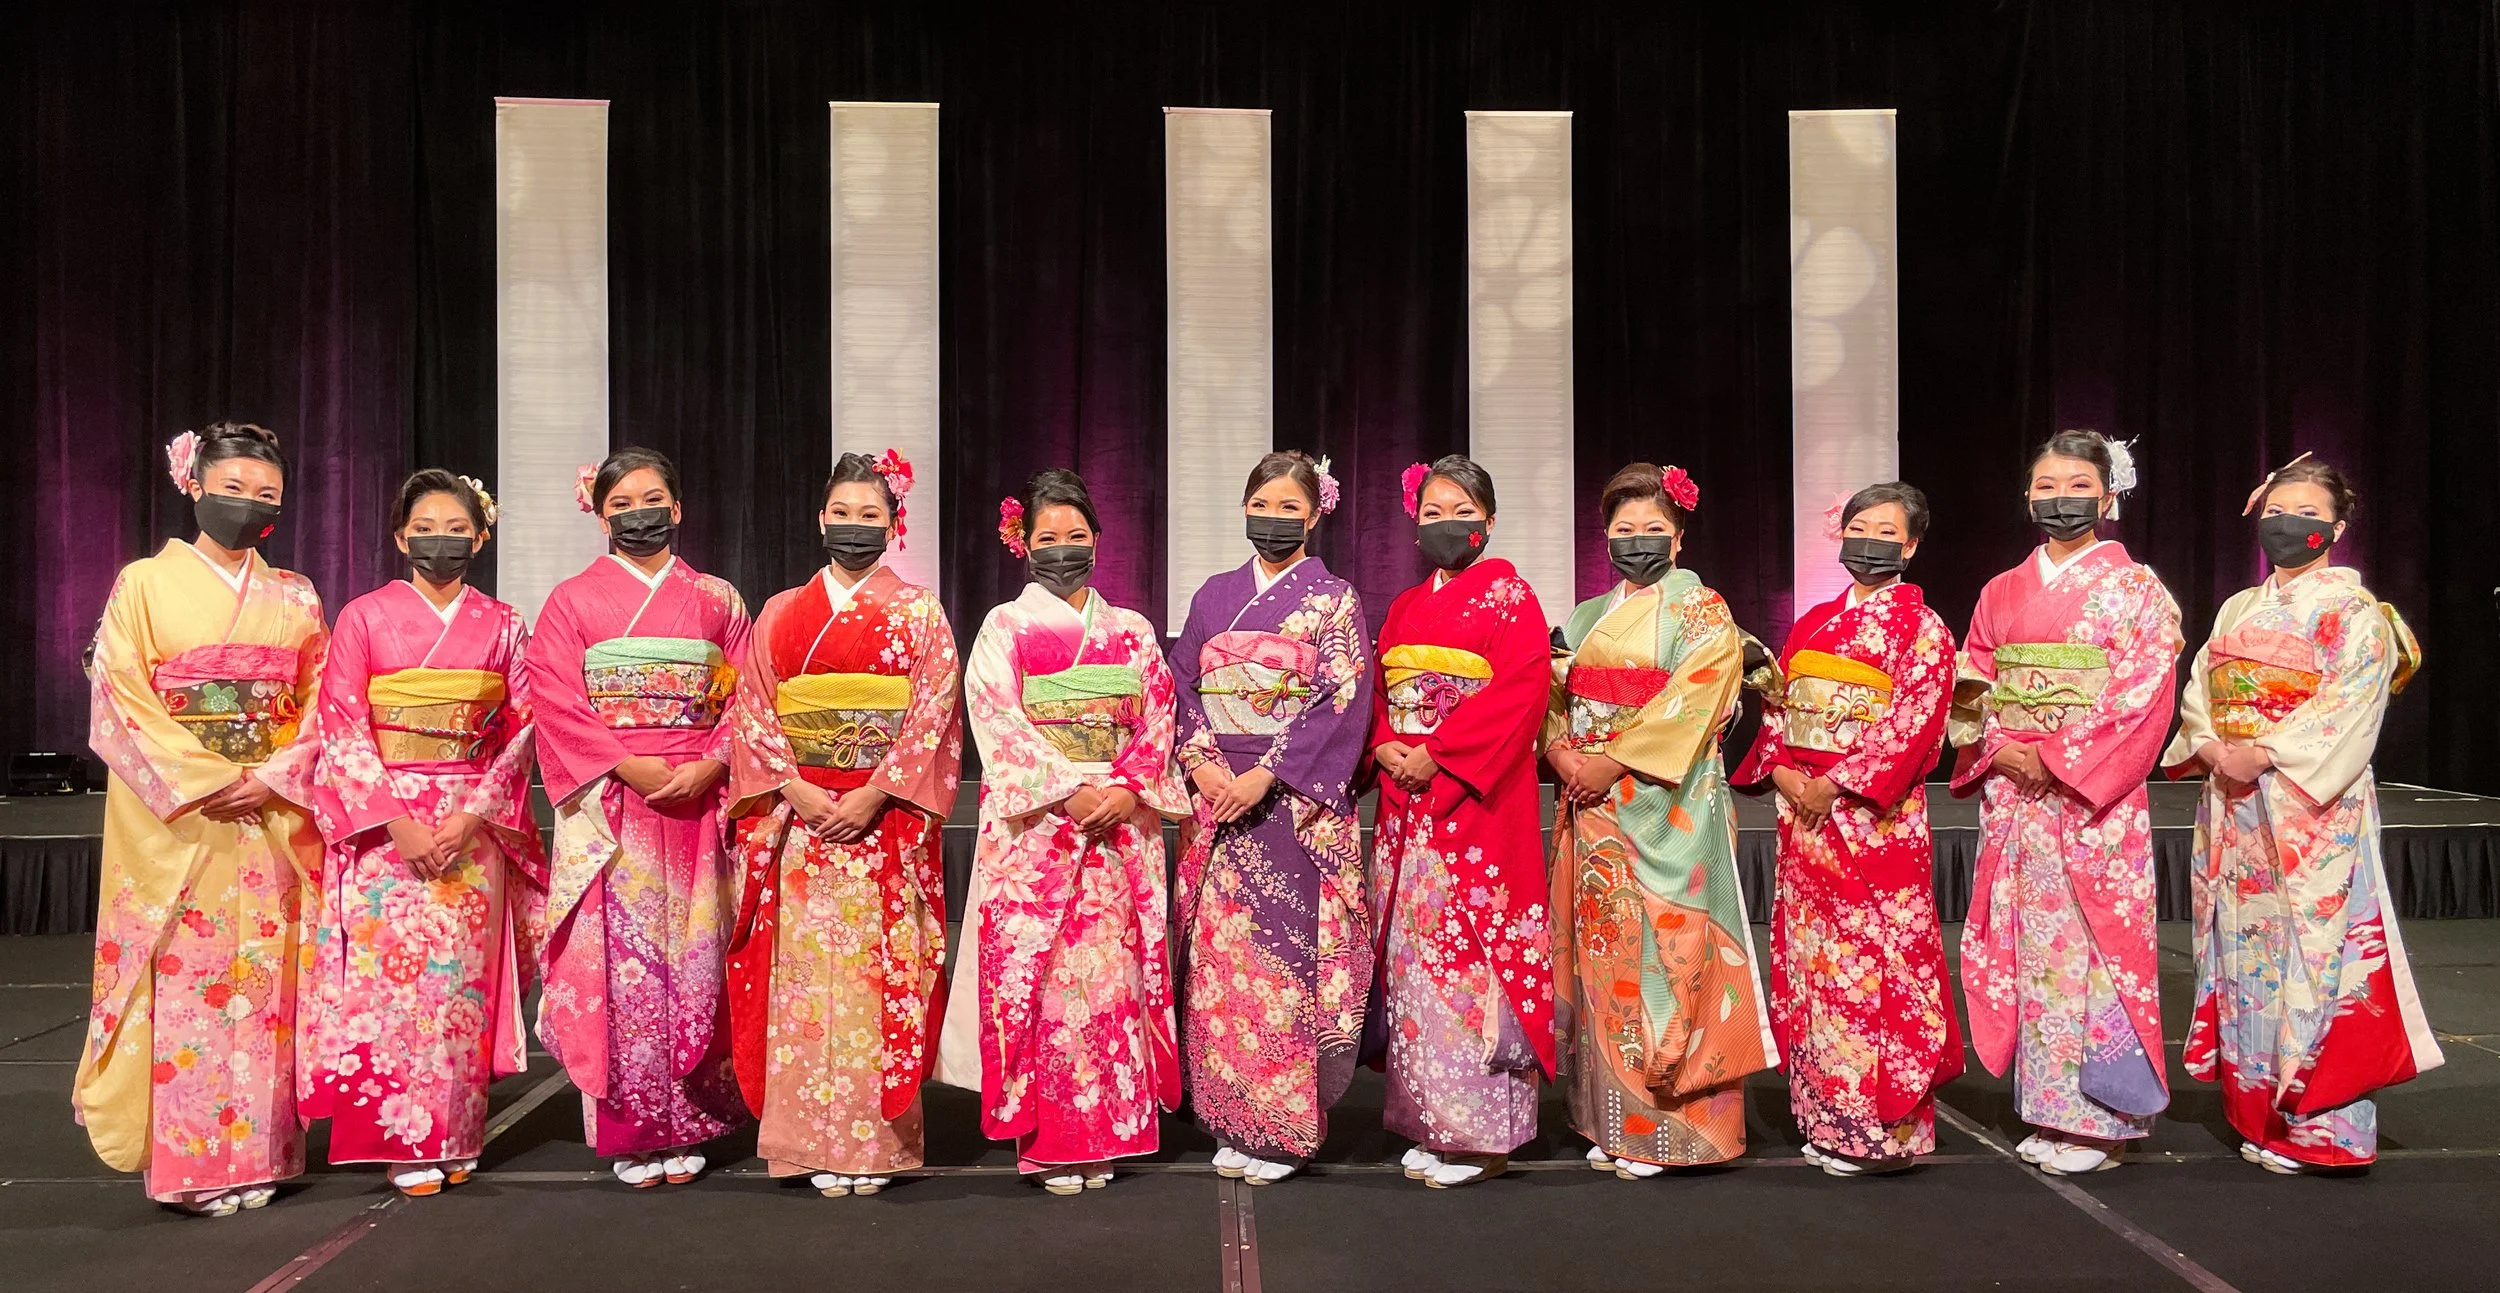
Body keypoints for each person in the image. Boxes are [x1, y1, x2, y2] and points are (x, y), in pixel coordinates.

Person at [2161, 455, 2443, 1173]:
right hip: (2234, 801)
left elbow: (2351, 706)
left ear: (2337, 529)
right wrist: (2210, 743)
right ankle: (2258, 1114)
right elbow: (2201, 689)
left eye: (2309, 514)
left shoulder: (2356, 614)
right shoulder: (2238, 609)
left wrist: (2267, 750)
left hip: (2311, 811)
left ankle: (2325, 1128)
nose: (2289, 523)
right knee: (2243, 954)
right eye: (2278, 509)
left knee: (2316, 957)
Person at [78, 423, 328, 1216]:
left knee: (268, 978)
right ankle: (191, 1166)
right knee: (191, 980)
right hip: (186, 814)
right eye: (233, 488)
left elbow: (324, 700)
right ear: (193, 485)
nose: (248, 505)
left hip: (269, 810)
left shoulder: (296, 594)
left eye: (266, 495)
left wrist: (277, 773)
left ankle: (263, 1152)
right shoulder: (143, 584)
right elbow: (120, 693)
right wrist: (214, 775)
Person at [934, 469, 1188, 1196]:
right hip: (1040, 829)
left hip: (1117, 823)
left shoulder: (1132, 630)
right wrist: (1072, 789)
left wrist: (1123, 786)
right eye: (1049, 536)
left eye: (1077, 535)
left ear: (1099, 542)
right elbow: (997, 718)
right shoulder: (1003, 627)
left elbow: (1158, 719)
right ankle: (1049, 1140)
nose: (1064, 547)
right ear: (1023, 546)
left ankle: (1110, 1130)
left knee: (1112, 980)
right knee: (1042, 985)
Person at [724, 451, 962, 1198]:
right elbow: (754, 713)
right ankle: (801, 1143)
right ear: (820, 518)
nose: (854, 525)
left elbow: (933, 715)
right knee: (802, 986)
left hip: (880, 824)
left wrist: (877, 792)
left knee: (874, 980)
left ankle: (875, 1147)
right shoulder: (780, 612)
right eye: (842, 512)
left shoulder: (920, 612)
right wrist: (794, 785)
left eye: (870, 514)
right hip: (802, 825)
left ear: (894, 526)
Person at [299, 470, 542, 1198]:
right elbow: (340, 723)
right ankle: (402, 1138)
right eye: (426, 527)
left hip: (471, 821)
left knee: (458, 987)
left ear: (480, 535)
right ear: (402, 537)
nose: (443, 539)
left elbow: (523, 725)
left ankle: (456, 1130)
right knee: (391, 986)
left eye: (457, 527)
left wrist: (472, 814)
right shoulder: (363, 617)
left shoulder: (503, 623)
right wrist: (397, 820)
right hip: (387, 828)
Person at [1953, 430, 2182, 1175]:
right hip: (2016, 791)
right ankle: (2052, 1110)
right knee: (2032, 948)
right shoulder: (2000, 590)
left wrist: (2053, 756)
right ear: (2028, 497)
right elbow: (1972, 679)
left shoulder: (2138, 589)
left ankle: (2099, 1119)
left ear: (2108, 496)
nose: (2060, 497)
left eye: (2077, 484)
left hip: (2090, 802)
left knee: (2091, 951)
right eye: (2046, 485)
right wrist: (2001, 746)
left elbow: (2141, 693)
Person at [524, 447, 751, 1188]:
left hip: (696, 793)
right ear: (600, 517)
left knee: (697, 957)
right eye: (620, 504)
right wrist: (625, 761)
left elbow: (751, 693)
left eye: (652, 499)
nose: (638, 514)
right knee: (622, 967)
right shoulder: (570, 601)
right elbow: (553, 695)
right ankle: (632, 1128)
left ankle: (691, 1120)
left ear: (678, 508)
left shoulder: (717, 598)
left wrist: (715, 762)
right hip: (617, 800)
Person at [1546, 464, 1774, 1178]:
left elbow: (1703, 692)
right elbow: (1554, 690)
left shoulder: (1702, 608)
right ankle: (1609, 1116)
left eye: (1651, 529)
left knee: (1666, 959)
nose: (1636, 541)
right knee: (1602, 957)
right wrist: (1559, 749)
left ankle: (1673, 1130)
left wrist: (1613, 760)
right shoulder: (1586, 614)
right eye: (1623, 529)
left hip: (1665, 804)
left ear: (1678, 536)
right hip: (1590, 803)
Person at [1733, 481, 1961, 1176]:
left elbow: (1916, 722)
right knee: (1813, 969)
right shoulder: (1811, 624)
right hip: (1807, 822)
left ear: (1912, 544)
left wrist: (1836, 780)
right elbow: (1778, 705)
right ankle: (1825, 1113)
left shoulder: (1925, 629)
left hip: (1873, 823)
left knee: (1878, 971)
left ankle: (1881, 1132)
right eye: (1859, 527)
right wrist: (1782, 771)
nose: (1871, 540)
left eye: (1887, 531)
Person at [1169, 451, 1372, 1186]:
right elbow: (1183, 686)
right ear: (1243, 506)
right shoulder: (1214, 596)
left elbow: (1342, 697)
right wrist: (1202, 764)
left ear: (1316, 516)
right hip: (1219, 795)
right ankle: (1230, 1116)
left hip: (1288, 806)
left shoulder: (1335, 599)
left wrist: (1265, 773)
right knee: (1223, 968)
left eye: (1292, 507)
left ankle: (1282, 1128)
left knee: (1285, 967)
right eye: (1264, 502)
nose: (1275, 517)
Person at [1367, 455, 1552, 1189]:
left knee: (1474, 968)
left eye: (1460, 511)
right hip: (1406, 809)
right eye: (1433, 513)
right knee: (1416, 968)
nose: (1447, 525)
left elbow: (1520, 693)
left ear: (1489, 520)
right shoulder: (1406, 606)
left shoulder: (1512, 596)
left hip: (1472, 805)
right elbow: (1383, 689)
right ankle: (1429, 1122)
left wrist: (1438, 755)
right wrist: (1386, 742)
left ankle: (1482, 1136)